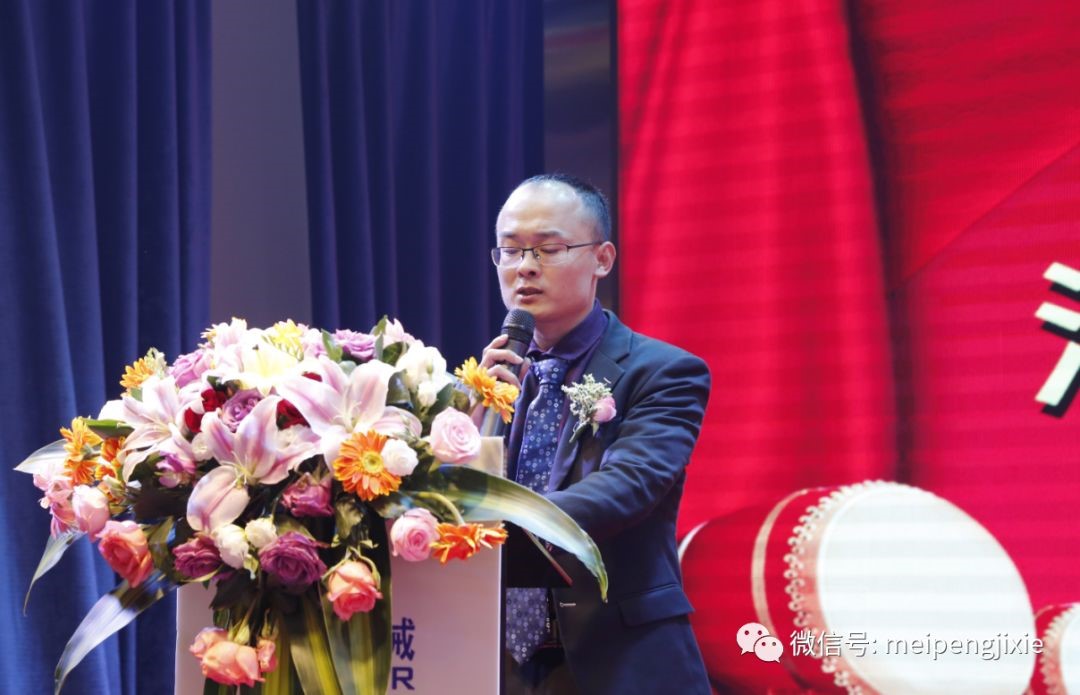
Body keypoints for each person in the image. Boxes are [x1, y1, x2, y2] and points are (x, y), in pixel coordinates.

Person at [481, 174, 712, 694]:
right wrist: (471, 421)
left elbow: (630, 484)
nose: (525, 267)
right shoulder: (486, 382)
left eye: (548, 249)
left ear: (602, 259)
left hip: (619, 660)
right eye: (510, 250)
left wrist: (500, 527)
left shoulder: (663, 371)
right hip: (500, 665)